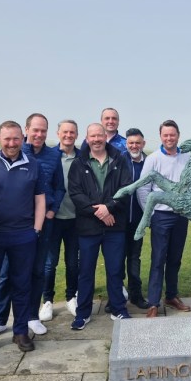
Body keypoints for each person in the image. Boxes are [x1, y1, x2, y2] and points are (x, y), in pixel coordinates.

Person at [0, 121, 45, 356]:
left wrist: (36, 229)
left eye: (16, 138)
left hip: (23, 235)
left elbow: (40, 199)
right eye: (7, 139)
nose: (11, 143)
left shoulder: (33, 165)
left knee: (22, 285)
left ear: (22, 138)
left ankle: (20, 331)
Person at [0, 113, 64, 336]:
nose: (39, 134)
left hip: (44, 223)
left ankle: (32, 316)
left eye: (43, 130)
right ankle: (0, 318)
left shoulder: (54, 155)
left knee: (37, 270)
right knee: (6, 273)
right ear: (26, 130)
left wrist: (52, 210)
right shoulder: (15, 152)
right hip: (16, 223)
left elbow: (59, 186)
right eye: (35, 130)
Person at [68, 123, 132, 327]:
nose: (96, 139)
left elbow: (126, 189)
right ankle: (83, 313)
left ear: (106, 137)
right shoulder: (79, 163)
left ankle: (118, 309)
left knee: (114, 270)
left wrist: (109, 207)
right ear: (87, 139)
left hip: (115, 227)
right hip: (88, 227)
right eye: (92, 136)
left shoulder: (120, 160)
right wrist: (99, 211)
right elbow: (76, 193)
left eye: (99, 135)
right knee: (86, 271)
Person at [136, 120, 191, 317]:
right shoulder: (153, 159)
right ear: (161, 136)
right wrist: (149, 214)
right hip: (160, 215)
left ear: (178, 135)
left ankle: (171, 295)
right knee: (158, 259)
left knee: (175, 259)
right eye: (166, 135)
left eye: (172, 135)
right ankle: (153, 302)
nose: (169, 138)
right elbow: (143, 189)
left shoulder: (187, 157)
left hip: (180, 216)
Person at [42, 120, 80, 319]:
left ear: (76, 134)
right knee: (50, 263)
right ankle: (47, 301)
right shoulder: (50, 156)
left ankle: (71, 297)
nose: (68, 135)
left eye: (72, 132)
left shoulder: (83, 156)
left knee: (73, 263)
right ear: (58, 133)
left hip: (75, 219)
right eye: (65, 131)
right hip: (53, 218)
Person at [122, 128, 149, 309]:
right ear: (126, 144)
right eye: (131, 143)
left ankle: (136, 294)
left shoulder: (149, 163)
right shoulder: (119, 161)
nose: (134, 146)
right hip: (119, 220)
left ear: (143, 144)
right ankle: (116, 295)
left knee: (134, 258)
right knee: (116, 259)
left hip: (139, 220)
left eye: (137, 143)